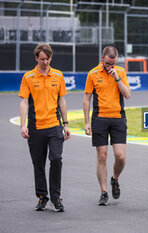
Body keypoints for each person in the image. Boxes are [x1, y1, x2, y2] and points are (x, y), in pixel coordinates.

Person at [19, 43, 71, 212]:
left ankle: (56, 197)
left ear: (51, 58)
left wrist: (66, 124)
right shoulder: (28, 77)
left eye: (48, 59)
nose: (45, 62)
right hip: (35, 127)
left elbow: (62, 100)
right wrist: (23, 125)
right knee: (38, 163)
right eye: (42, 59)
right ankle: (42, 196)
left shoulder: (58, 75)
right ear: (36, 58)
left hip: (54, 126)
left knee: (56, 159)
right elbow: (24, 101)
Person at [83, 46, 131, 206]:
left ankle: (115, 179)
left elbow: (128, 94)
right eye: (108, 63)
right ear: (102, 58)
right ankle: (103, 192)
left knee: (120, 156)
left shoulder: (121, 72)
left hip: (118, 118)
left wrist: (117, 78)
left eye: (113, 63)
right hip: (100, 118)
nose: (110, 66)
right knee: (102, 156)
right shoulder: (92, 73)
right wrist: (87, 122)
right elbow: (86, 98)